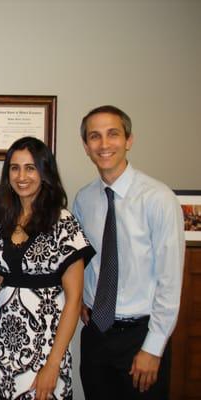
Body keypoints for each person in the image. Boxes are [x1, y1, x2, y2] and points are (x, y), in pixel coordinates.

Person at [73, 105, 185, 399]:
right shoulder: (84, 200)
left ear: (129, 140)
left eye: (113, 134)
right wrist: (85, 298)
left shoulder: (158, 198)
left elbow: (170, 281)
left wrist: (153, 347)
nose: (104, 144)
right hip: (96, 336)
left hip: (141, 335)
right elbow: (84, 259)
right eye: (94, 137)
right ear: (86, 146)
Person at [0, 137, 95, 400]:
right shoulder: (1, 223)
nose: (22, 176)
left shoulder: (63, 222)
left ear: (44, 172)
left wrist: (53, 364)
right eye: (15, 168)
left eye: (30, 168)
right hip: (3, 352)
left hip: (44, 354)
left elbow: (74, 299)